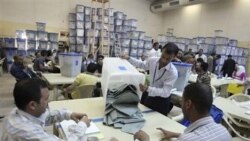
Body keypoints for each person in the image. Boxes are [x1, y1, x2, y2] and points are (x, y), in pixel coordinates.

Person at [134, 83, 231, 141]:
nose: (181, 103)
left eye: (182, 100)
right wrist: (177, 134)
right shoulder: (224, 131)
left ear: (188, 104)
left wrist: (145, 139)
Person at [1, 79, 91, 141]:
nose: (49, 101)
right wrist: (82, 125)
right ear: (32, 105)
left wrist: (69, 114)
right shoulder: (26, 132)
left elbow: (46, 116)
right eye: (46, 99)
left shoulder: (20, 111)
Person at [121, 42, 179, 116]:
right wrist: (128, 58)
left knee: (158, 122)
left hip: (162, 101)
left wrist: (148, 89)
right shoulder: (152, 60)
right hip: (150, 96)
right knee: (145, 116)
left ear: (174, 57)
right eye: (163, 57)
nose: (164, 60)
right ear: (161, 51)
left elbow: (165, 92)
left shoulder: (173, 72)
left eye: (168, 59)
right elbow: (141, 64)